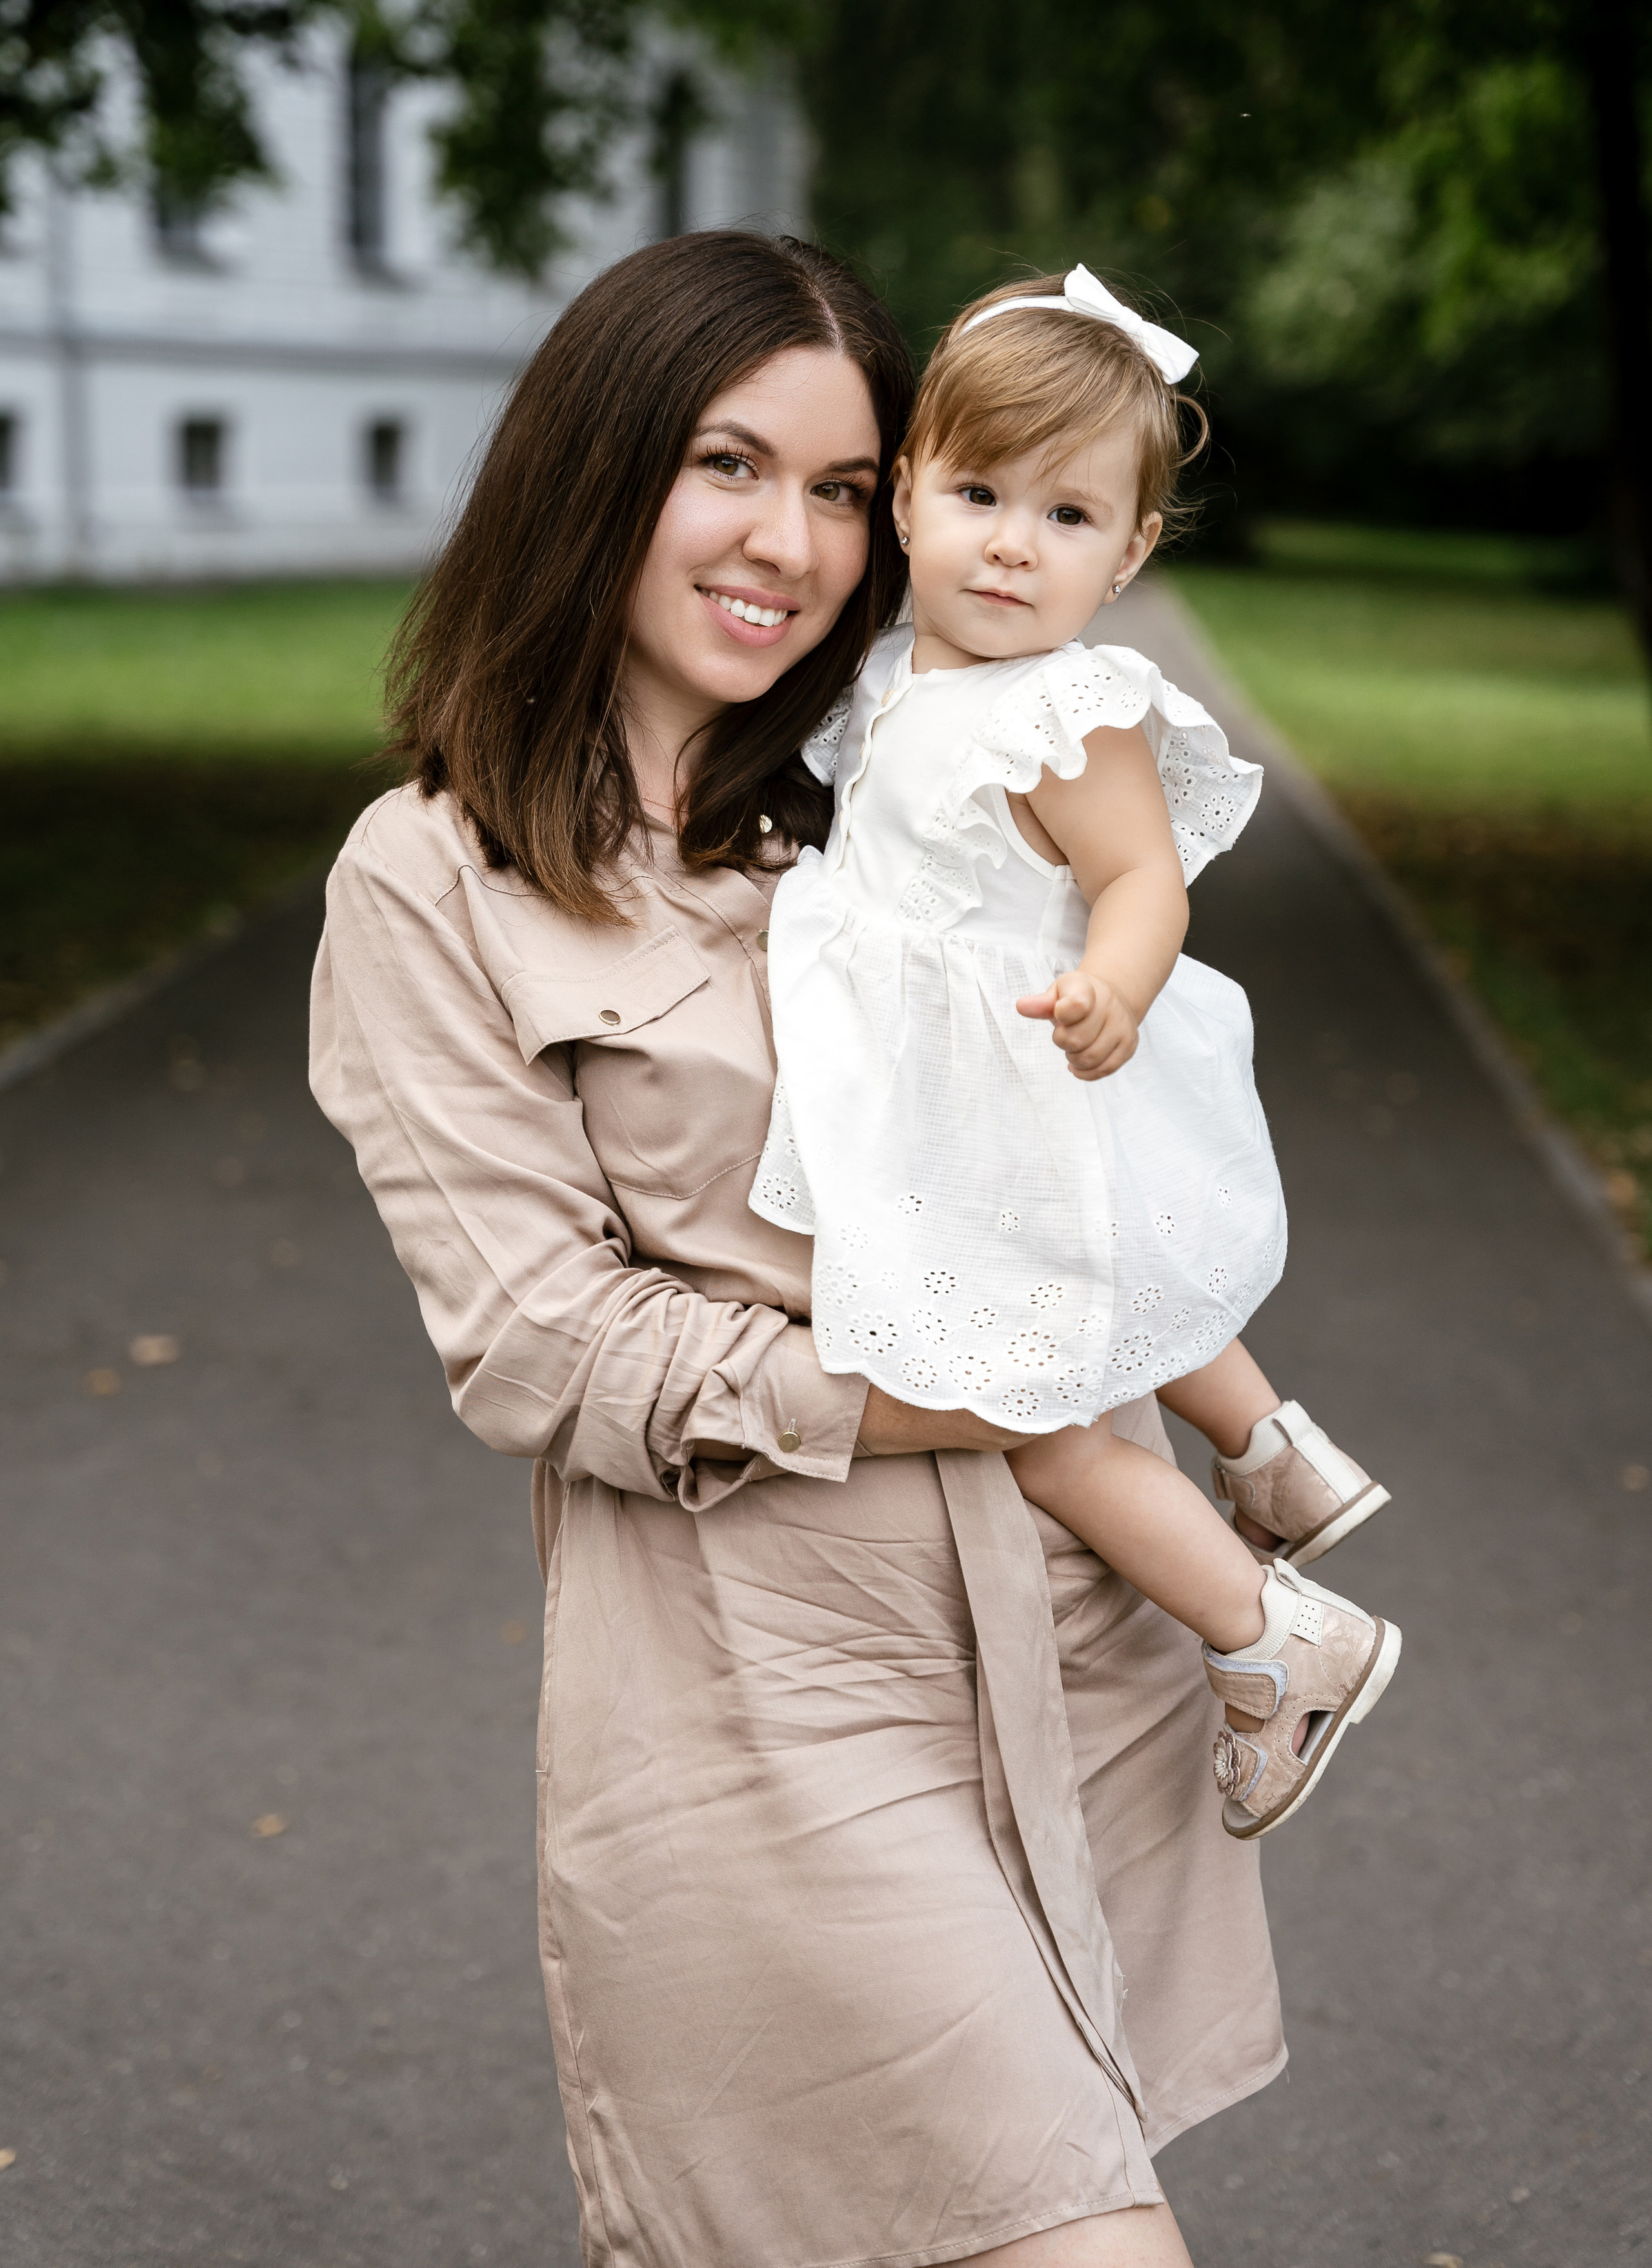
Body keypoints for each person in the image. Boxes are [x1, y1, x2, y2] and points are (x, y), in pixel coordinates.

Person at [310, 230, 1287, 2268]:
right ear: (599, 471)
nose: (796, 543)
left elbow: (1101, 1109)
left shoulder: (883, 781)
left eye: (845, 490)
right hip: (764, 1716)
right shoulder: (434, 875)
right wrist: (972, 1389)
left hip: (1053, 1655)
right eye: (729, 465)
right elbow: (544, 1352)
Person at [752, 266, 1400, 1840]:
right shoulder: (901, 670)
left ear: (1127, 555)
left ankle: (1276, 1639)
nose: (1009, 543)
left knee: (1034, 1415)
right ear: (903, 493)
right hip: (947, 1074)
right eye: (976, 492)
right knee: (1118, 1278)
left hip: (1027, 1066)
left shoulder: (1072, 709)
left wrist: (1112, 988)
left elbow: (1138, 882)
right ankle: (1274, 1459)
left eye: (1064, 517)